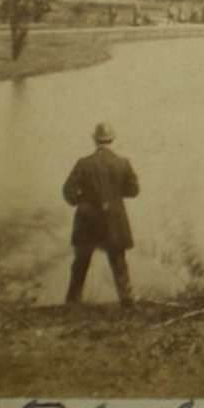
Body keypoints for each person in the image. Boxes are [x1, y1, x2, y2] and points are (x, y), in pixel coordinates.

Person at [63, 122, 140, 307]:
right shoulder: (122, 163)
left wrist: (82, 201)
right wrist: (114, 195)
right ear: (112, 139)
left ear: (95, 140)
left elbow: (68, 191)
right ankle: (127, 301)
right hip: (114, 220)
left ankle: (73, 302)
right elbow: (134, 190)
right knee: (119, 262)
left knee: (81, 263)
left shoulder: (83, 164)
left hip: (87, 220)